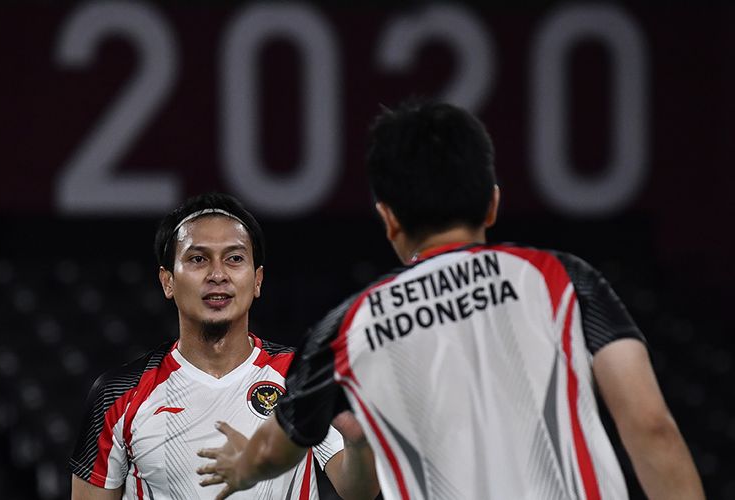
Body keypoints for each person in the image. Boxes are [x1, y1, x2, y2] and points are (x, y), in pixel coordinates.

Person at [196, 101, 705, 500]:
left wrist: (242, 469)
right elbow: (651, 427)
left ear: (389, 218)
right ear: (492, 202)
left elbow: (275, 448)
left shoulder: (349, 327)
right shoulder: (564, 279)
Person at [69, 193, 380, 500]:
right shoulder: (117, 395)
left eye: (234, 258)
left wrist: (358, 440)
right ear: (167, 281)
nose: (217, 275)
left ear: (257, 280)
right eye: (198, 259)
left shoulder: (301, 377)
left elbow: (360, 492)